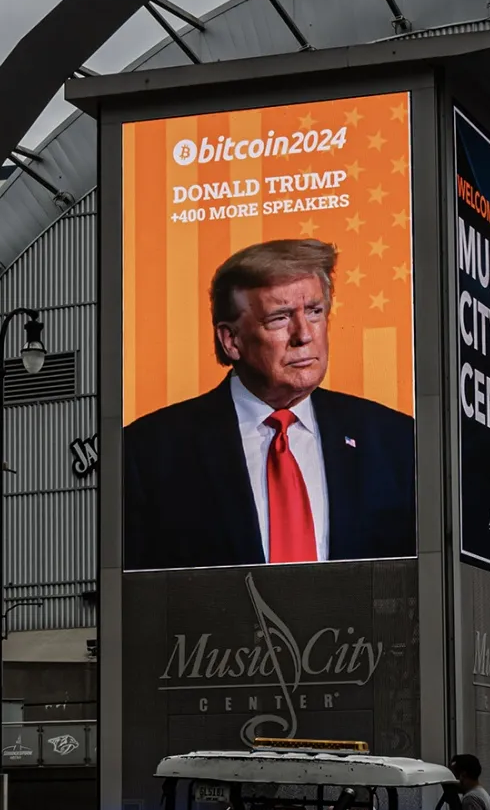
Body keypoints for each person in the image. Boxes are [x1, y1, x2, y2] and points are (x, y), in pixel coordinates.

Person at [122, 238, 416, 570]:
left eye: (315, 312)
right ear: (231, 340)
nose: (304, 335)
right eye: (279, 318)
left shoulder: (396, 442)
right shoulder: (149, 453)